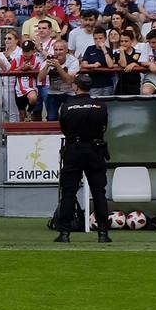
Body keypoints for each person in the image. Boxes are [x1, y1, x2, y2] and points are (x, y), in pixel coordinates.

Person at [52, 73, 111, 244]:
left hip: (73, 150)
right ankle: (103, 233)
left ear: (75, 86)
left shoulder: (66, 106)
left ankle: (64, 233)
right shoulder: (101, 106)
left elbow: (64, 128)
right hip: (95, 150)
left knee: (69, 193)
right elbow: (104, 127)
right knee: (99, 193)